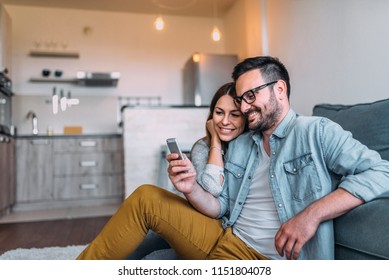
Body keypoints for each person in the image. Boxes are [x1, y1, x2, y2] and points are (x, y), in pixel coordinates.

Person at [77, 56, 389, 260]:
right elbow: (220, 206)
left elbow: (380, 171)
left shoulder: (316, 131)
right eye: (241, 99)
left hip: (268, 259)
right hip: (226, 239)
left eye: (251, 96)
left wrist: (311, 215)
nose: (245, 106)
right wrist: (191, 188)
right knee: (147, 196)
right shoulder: (242, 144)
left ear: (279, 89)